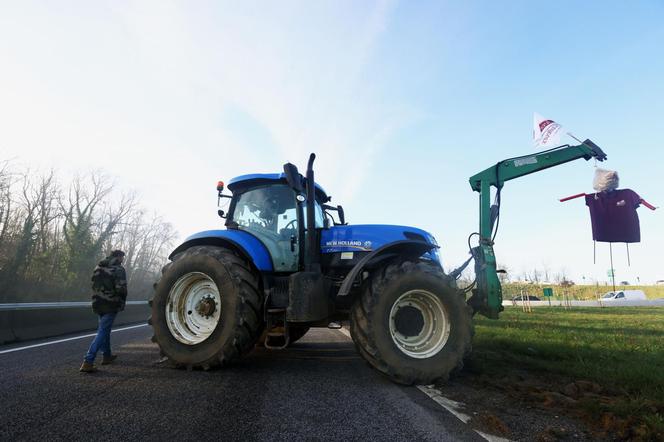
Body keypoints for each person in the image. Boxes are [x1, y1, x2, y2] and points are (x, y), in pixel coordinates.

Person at [79, 250, 128, 373]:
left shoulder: (98, 267)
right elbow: (121, 289)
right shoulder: (118, 269)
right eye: (122, 257)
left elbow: (93, 284)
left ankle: (107, 356)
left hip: (98, 303)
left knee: (105, 330)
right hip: (110, 304)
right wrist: (121, 300)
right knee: (102, 331)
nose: (123, 259)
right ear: (118, 256)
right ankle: (88, 361)